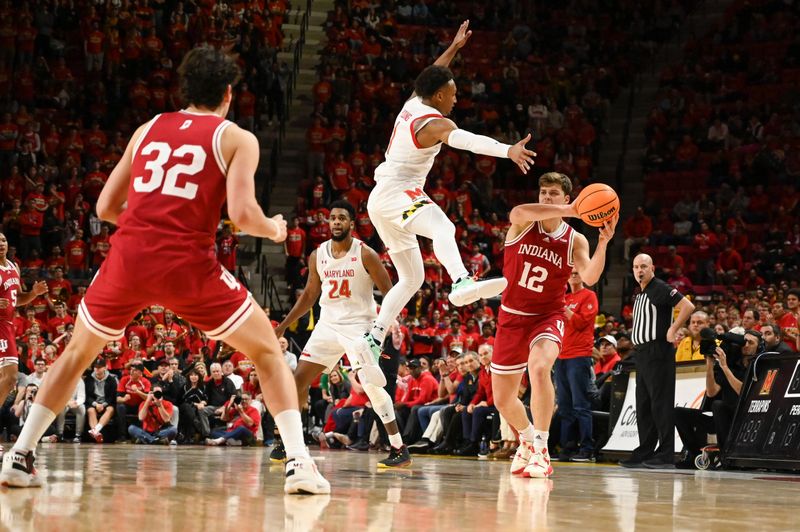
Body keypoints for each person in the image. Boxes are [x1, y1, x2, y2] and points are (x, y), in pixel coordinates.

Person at [0, 46, 328, 494]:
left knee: (75, 355)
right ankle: (300, 465)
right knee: (268, 352)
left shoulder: (147, 128)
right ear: (229, 94)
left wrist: (149, 226)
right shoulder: (236, 138)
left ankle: (19, 455)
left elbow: (105, 207)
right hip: (187, 266)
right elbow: (244, 214)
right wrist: (273, 229)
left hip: (129, 259)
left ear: (185, 89)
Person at [352, 21, 535, 365]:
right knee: (444, 228)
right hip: (396, 192)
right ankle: (461, 281)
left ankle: (374, 337)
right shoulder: (435, 123)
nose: (456, 96)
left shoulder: (413, 102)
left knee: (412, 277)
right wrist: (508, 150)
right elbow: (469, 142)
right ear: (438, 97)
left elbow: (433, 74)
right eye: (452, 92)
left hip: (382, 199)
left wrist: (454, 48)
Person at [490, 172, 617, 479]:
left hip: (548, 315)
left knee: (538, 368)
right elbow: (517, 212)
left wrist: (603, 242)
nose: (546, 197)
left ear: (566, 197)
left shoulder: (575, 238)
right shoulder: (523, 222)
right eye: (543, 192)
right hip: (511, 316)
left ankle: (542, 449)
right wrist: (571, 210)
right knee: (502, 399)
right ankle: (526, 439)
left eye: (553, 194)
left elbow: (589, 277)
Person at [274, 200, 411, 468]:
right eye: (333, 218)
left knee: (372, 387)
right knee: (296, 382)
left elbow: (391, 291)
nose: (336, 222)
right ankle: (287, 443)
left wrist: (390, 324)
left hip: (359, 327)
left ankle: (399, 448)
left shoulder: (366, 254)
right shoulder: (318, 255)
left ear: (351, 223)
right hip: (327, 326)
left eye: (342, 218)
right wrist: (283, 324)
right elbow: (310, 296)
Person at [620, 254, 694, 469]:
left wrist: (673, 328)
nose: (639, 270)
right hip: (642, 354)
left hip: (658, 351)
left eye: (643, 266)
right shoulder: (640, 292)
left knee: (660, 403)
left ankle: (666, 453)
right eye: (635, 267)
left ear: (652, 267)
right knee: (643, 404)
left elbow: (687, 306)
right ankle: (645, 450)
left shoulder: (659, 287)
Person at [674, 328, 760, 465]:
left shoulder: (758, 366)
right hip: (721, 418)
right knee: (677, 412)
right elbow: (711, 392)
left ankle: (725, 456)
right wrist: (709, 364)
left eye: (751, 342)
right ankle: (696, 455)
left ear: (759, 346)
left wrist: (725, 367)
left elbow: (743, 393)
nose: (746, 345)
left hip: (744, 418)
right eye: (745, 341)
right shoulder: (731, 364)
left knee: (718, 405)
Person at [0, 232, 48, 457]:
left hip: (7, 324)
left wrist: (34, 294)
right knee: (9, 377)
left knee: (9, 380)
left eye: (3, 240)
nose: (1, 244)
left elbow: (18, 299)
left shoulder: (13, 266)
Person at [555, 269, 599, 462]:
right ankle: (567, 446)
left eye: (577, 272)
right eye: (570, 272)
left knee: (580, 404)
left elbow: (581, 323)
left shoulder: (589, 295)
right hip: (561, 356)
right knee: (565, 406)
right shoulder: (564, 297)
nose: (573, 274)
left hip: (579, 355)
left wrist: (563, 307)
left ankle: (587, 448)